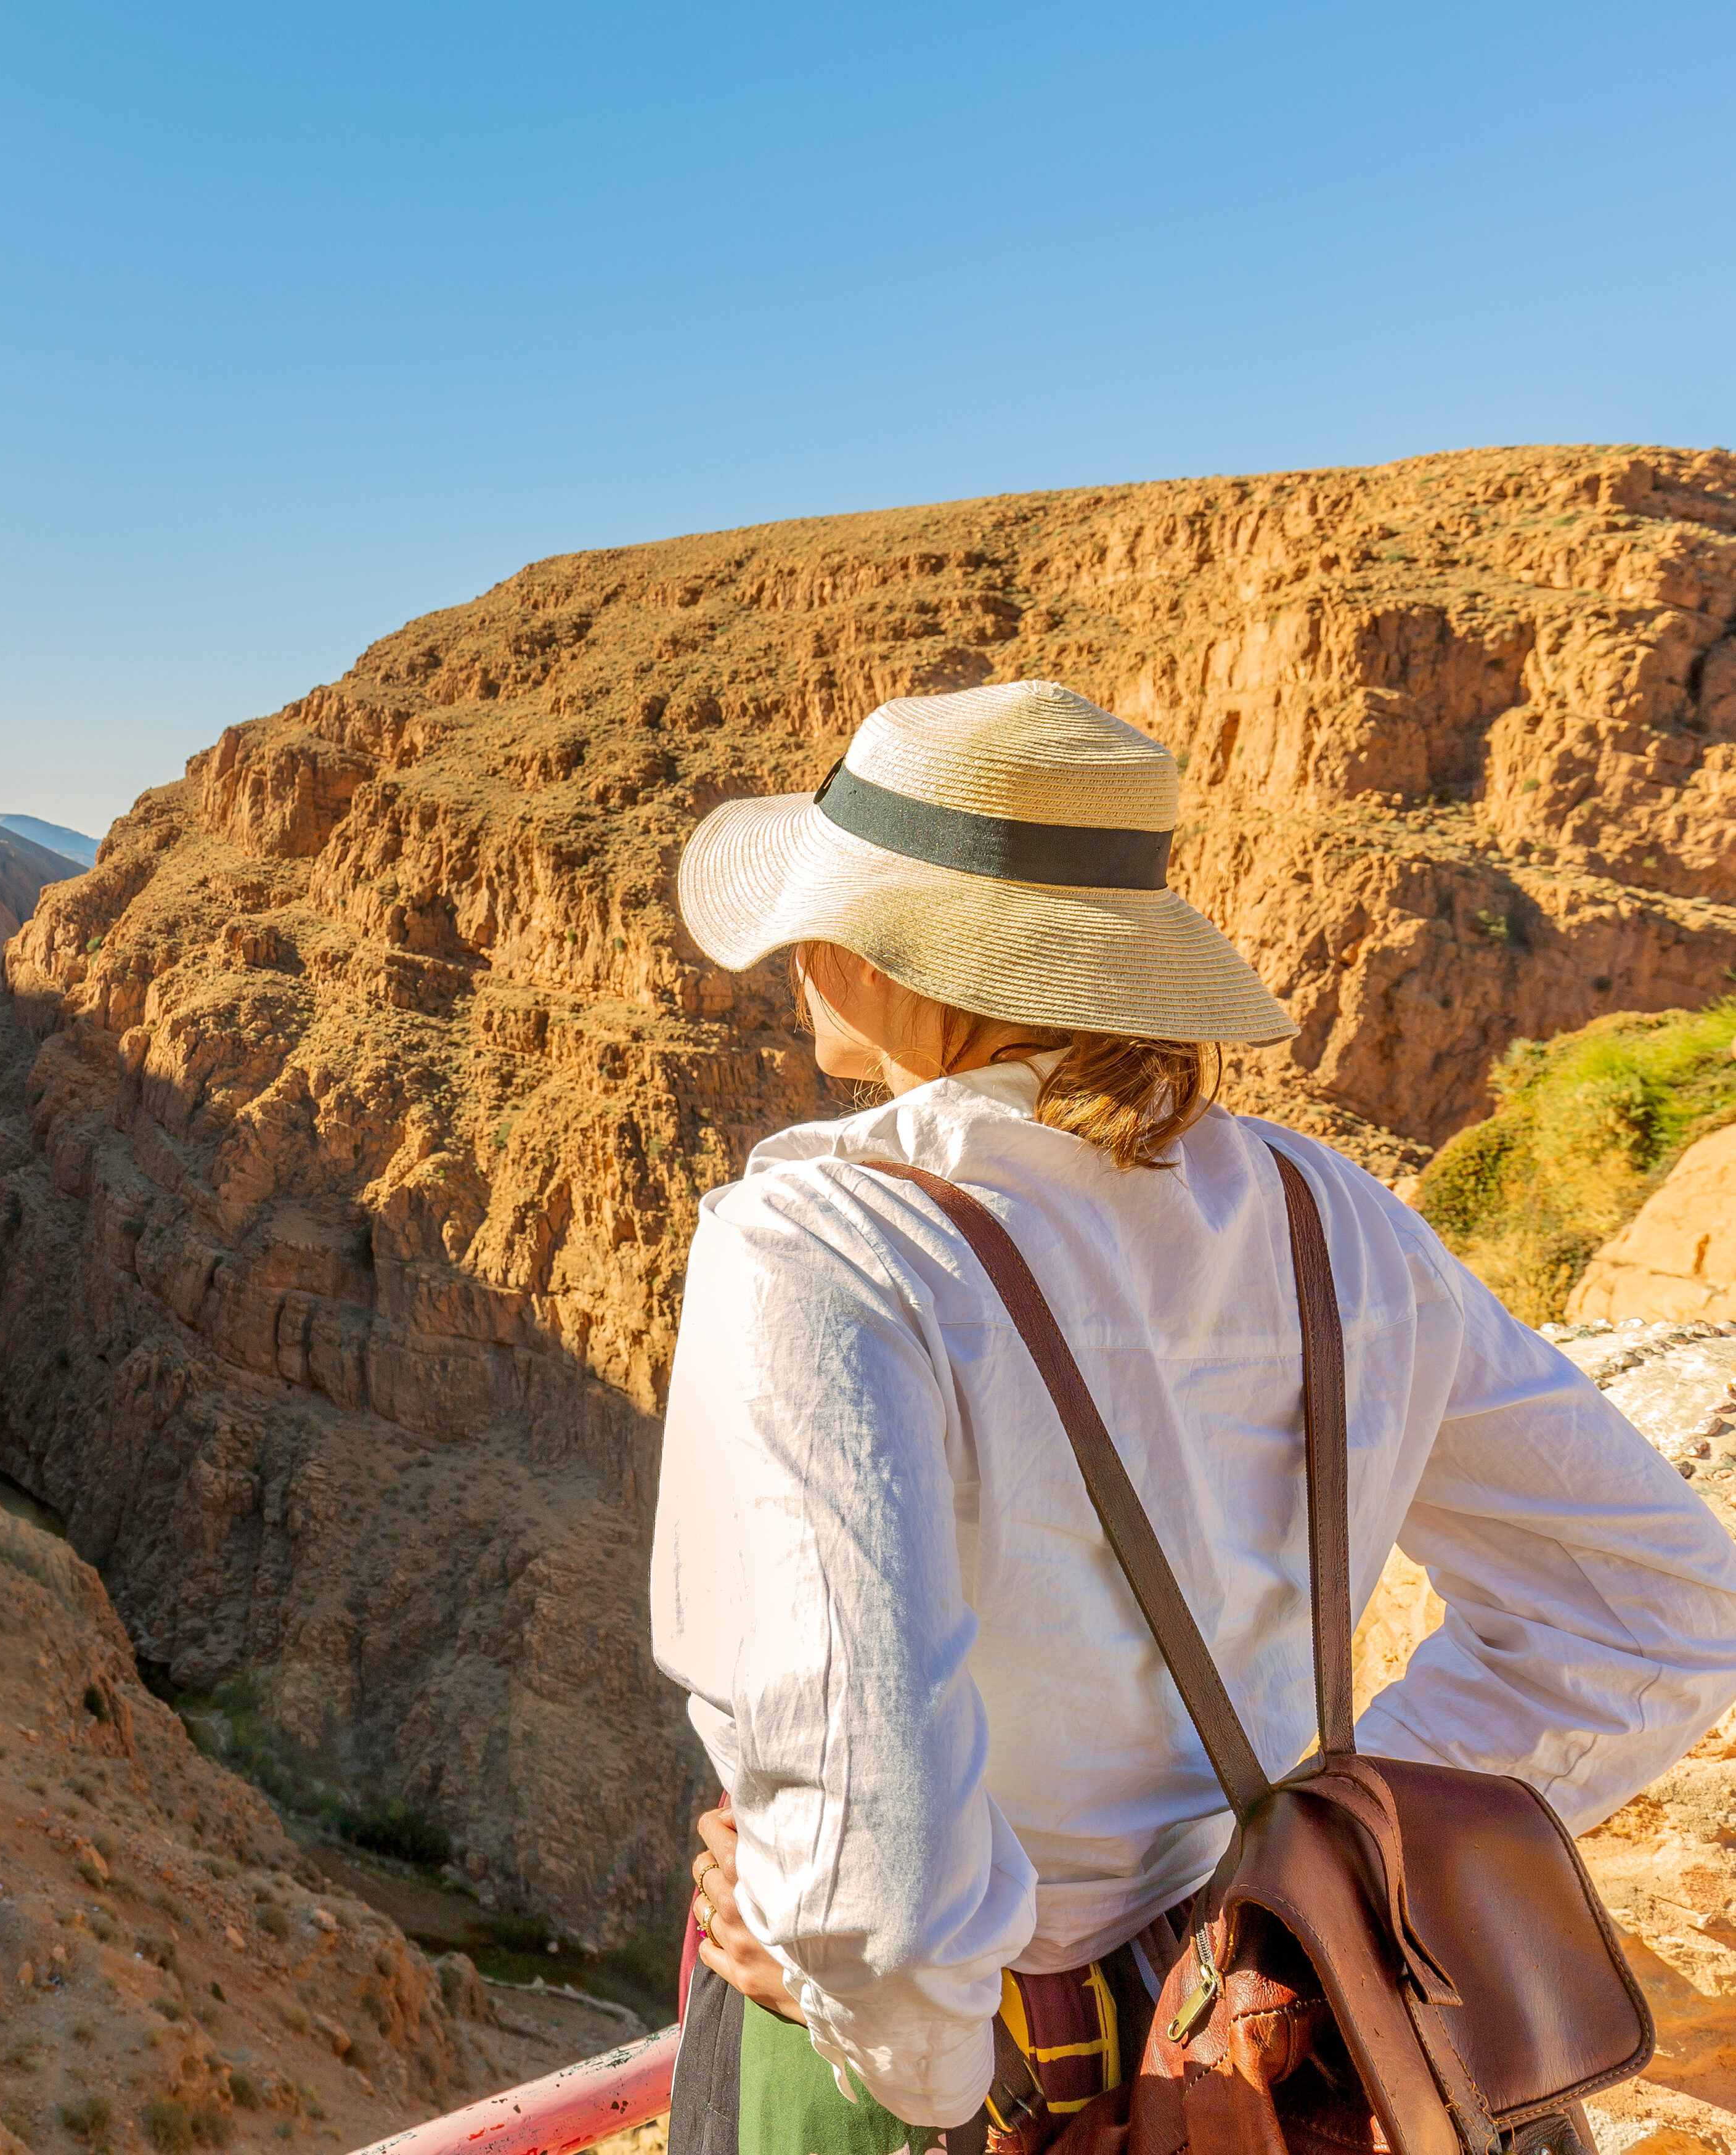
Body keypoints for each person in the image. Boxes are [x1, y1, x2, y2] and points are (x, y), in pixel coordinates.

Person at [650, 681, 1736, 2155]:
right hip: (1276, 2038)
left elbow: (873, 1879)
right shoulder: (1323, 1214)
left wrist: (905, 2040)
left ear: (894, 953)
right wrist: (1333, 1861)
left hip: (940, 2079)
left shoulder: (826, 1245)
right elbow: (1656, 1604)